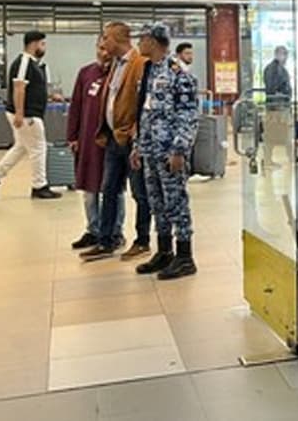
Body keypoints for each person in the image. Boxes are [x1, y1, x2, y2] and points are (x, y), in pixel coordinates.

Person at [133, 23, 200, 280]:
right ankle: (164, 251)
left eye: (142, 38)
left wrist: (180, 150)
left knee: (176, 202)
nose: (139, 42)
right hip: (151, 150)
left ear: (153, 40)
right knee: (157, 203)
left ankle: (185, 256)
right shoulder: (151, 70)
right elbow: (147, 111)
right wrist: (139, 146)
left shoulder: (177, 73)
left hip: (170, 151)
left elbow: (188, 115)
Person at [82, 22, 151, 261]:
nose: (103, 43)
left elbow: (145, 100)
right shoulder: (114, 66)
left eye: (106, 38)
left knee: (139, 193)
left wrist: (136, 130)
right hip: (113, 138)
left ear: (120, 39)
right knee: (108, 189)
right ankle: (106, 240)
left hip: (131, 139)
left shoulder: (140, 64)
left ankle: (142, 240)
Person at [0, 31, 61, 200]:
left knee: (21, 148)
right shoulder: (24, 61)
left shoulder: (34, 63)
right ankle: (39, 186)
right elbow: (19, 87)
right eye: (42, 44)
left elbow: (31, 89)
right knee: (39, 148)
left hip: (26, 112)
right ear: (33, 44)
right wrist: (19, 113)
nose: (44, 47)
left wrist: (48, 96)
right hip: (27, 114)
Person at [67, 39, 120, 251]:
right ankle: (93, 230)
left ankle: (115, 231)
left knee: (113, 189)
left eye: (108, 49)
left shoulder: (119, 75)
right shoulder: (86, 73)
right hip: (87, 141)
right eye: (100, 48)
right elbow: (76, 106)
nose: (104, 53)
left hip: (111, 142)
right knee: (89, 189)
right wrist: (73, 135)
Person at [263, 45, 293, 166]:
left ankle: (288, 157)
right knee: (279, 133)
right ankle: (288, 158)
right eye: (284, 54)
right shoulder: (276, 69)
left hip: (277, 107)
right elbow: (272, 88)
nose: (286, 58)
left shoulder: (275, 68)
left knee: (276, 134)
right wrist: (283, 95)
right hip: (277, 108)